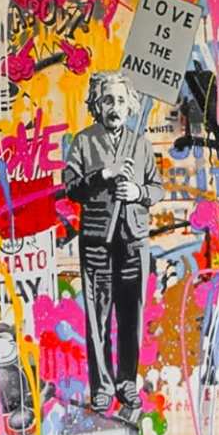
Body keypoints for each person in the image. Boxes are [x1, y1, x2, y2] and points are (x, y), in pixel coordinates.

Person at [59, 74, 152, 414]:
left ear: (130, 105)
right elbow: (69, 187)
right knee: (98, 318)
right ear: (96, 105)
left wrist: (139, 193)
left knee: (131, 316)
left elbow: (156, 188)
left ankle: (127, 384)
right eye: (107, 101)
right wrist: (104, 175)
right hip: (97, 240)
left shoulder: (140, 144)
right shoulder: (83, 142)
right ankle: (102, 388)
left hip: (134, 241)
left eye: (120, 101)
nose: (114, 107)